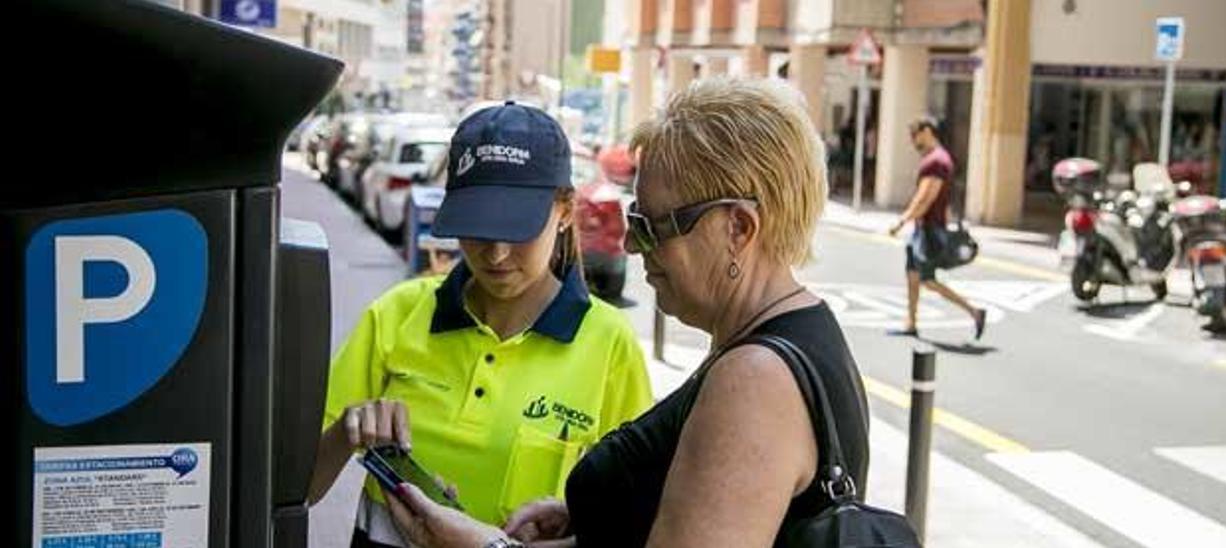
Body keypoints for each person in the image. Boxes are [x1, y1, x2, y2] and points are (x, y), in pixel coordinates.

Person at [371, 78, 873, 548]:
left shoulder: (756, 382)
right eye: (634, 220)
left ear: (738, 228)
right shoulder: (795, 341)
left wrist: (486, 546)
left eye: (654, 225)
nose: (631, 244)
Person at [308, 101, 654, 547]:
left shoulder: (610, 346)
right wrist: (348, 429)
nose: (495, 253)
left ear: (565, 209)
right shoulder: (395, 315)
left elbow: (640, 515)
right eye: (477, 227)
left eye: (516, 229)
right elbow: (298, 487)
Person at [889, 116, 986, 339]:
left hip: (929, 230)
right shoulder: (938, 159)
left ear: (927, 131)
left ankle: (975, 312)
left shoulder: (936, 161)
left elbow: (925, 198)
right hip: (923, 229)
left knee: (927, 279)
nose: (913, 141)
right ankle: (911, 323)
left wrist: (901, 221)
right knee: (912, 275)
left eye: (915, 135)